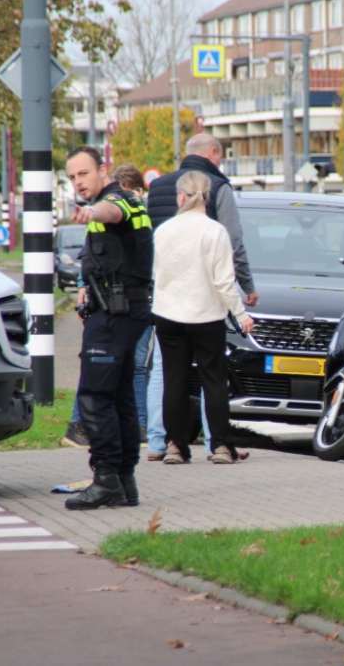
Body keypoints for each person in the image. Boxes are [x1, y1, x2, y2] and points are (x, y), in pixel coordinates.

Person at [145, 134, 257, 462]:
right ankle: (221, 446)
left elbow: (156, 275)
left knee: (174, 380)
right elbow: (224, 282)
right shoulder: (214, 232)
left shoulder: (163, 232)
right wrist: (241, 315)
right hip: (207, 316)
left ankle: (175, 446)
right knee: (213, 380)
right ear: (206, 196)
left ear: (182, 196)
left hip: (168, 315)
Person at [64, 146, 153, 510]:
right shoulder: (108, 202)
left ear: (103, 170)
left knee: (94, 398)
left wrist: (90, 211)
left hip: (117, 316)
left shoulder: (120, 200)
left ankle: (105, 480)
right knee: (119, 399)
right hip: (115, 313)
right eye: (71, 177)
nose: (78, 182)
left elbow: (112, 211)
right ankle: (124, 481)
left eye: (83, 174)